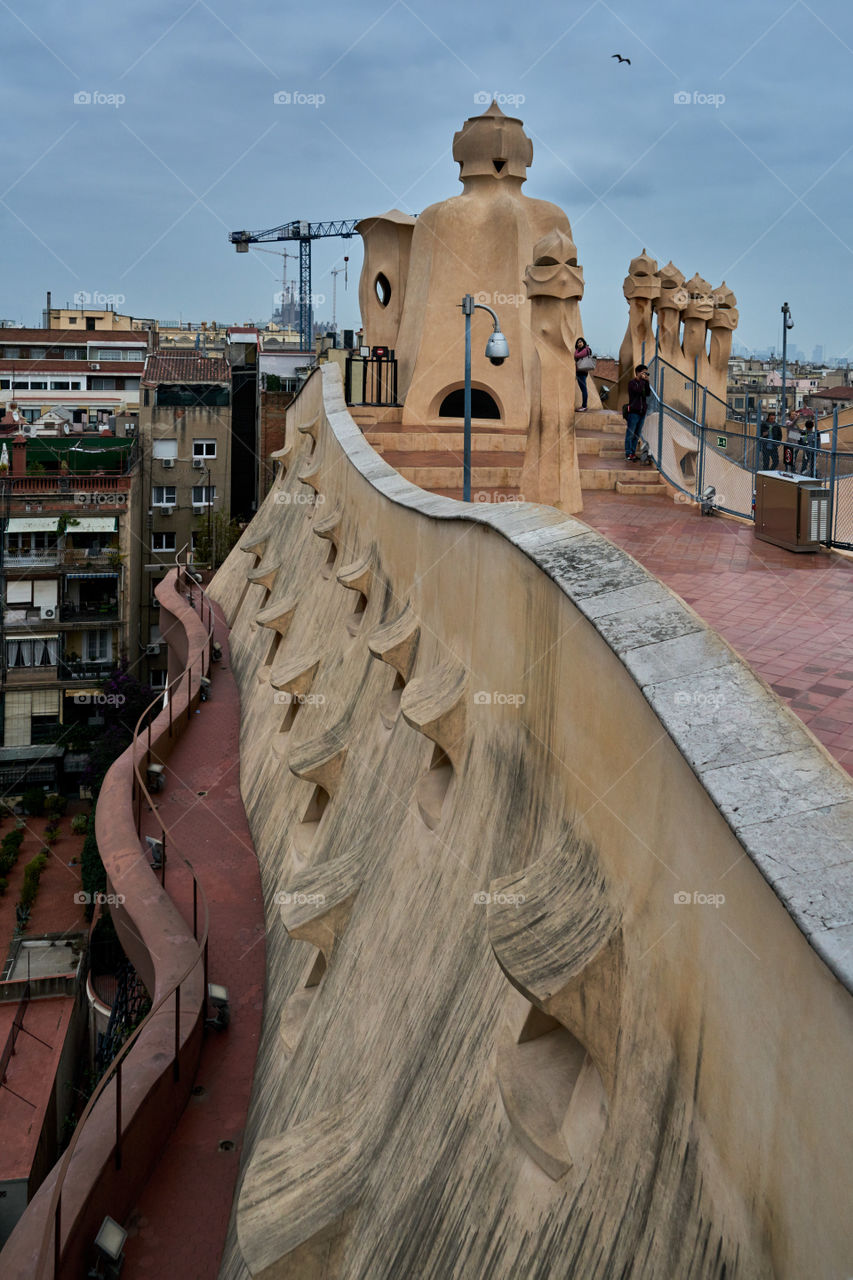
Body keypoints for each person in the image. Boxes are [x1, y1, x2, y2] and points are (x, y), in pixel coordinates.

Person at [625, 363, 650, 460]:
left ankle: (633, 452)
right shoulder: (632, 383)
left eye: (646, 373)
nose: (645, 375)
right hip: (634, 412)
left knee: (636, 435)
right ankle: (628, 453)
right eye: (644, 373)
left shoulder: (643, 383)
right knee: (630, 434)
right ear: (638, 373)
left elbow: (647, 393)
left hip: (642, 412)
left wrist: (647, 382)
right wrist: (643, 381)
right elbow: (638, 391)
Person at [573, 336, 592, 412]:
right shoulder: (581, 350)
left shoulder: (585, 350)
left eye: (580, 342)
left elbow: (576, 355)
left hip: (582, 372)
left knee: (584, 390)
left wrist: (577, 350)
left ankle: (584, 406)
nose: (579, 343)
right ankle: (584, 405)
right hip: (580, 372)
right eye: (578, 342)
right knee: (583, 389)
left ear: (584, 343)